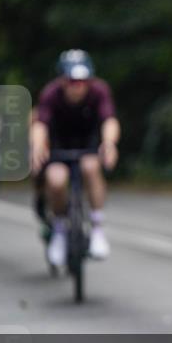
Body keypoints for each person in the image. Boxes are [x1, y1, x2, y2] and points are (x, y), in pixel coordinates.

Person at [31, 50, 120, 266]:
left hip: (87, 145)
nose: (77, 86)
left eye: (82, 81)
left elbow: (109, 120)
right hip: (59, 146)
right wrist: (36, 147)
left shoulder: (99, 91)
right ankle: (60, 230)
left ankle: (97, 226)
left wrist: (109, 144)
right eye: (72, 81)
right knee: (56, 179)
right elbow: (40, 124)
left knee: (91, 167)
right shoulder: (51, 94)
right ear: (62, 80)